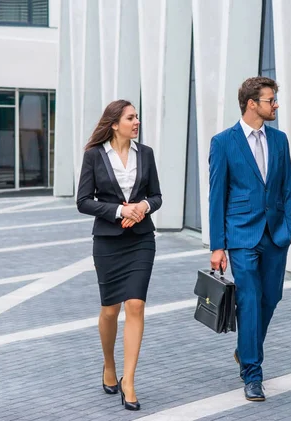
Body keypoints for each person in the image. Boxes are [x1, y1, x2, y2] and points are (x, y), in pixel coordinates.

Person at [208, 76, 291, 401]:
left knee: (270, 298)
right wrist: (218, 245)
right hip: (241, 235)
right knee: (248, 298)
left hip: (275, 234)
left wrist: (290, 227)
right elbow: (216, 196)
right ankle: (252, 373)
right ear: (252, 104)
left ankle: (245, 348)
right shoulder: (223, 142)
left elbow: (287, 188)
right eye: (270, 100)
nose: (275, 105)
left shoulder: (280, 139)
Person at [76, 99, 162, 411]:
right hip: (108, 242)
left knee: (136, 305)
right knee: (110, 311)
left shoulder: (146, 154)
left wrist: (142, 207)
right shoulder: (94, 156)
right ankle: (109, 364)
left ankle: (129, 380)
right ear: (114, 124)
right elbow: (83, 201)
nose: (136, 122)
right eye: (130, 117)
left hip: (141, 240)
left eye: (137, 116)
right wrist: (118, 210)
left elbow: (157, 196)